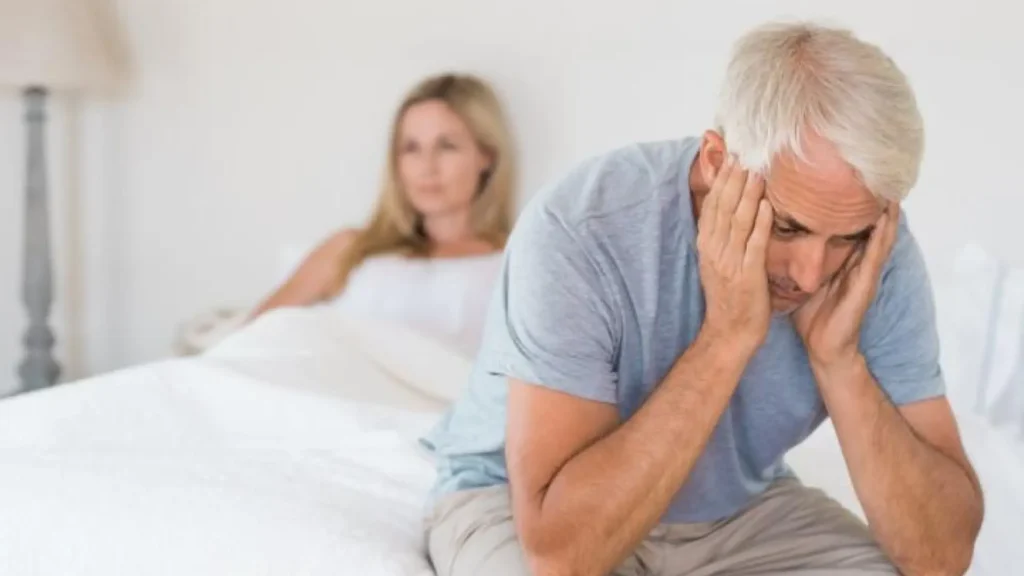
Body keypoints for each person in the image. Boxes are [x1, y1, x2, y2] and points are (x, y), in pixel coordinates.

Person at [421, 21, 984, 576]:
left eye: (845, 238)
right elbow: (562, 556)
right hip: (518, 502)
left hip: (734, 514)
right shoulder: (581, 228)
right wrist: (727, 338)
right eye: (786, 227)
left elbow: (942, 558)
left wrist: (841, 364)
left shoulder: (876, 251)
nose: (811, 275)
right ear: (717, 162)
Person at [250, 73, 517, 357]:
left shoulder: (514, 263)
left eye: (446, 146)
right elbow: (251, 338)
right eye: (411, 148)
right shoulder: (350, 250)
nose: (427, 167)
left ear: (487, 155)